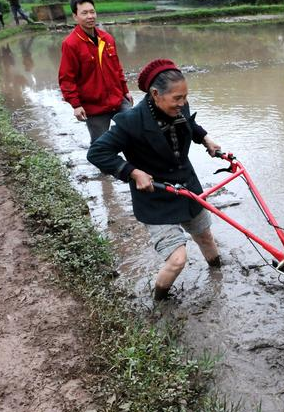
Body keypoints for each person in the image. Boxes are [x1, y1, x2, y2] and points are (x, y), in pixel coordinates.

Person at [87, 59, 222, 301]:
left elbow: (189, 123)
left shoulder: (180, 106)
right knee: (177, 259)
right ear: (156, 94)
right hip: (156, 195)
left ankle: (218, 277)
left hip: (187, 187)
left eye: (185, 97)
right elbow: (97, 152)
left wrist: (205, 138)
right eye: (177, 99)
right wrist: (132, 172)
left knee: (205, 236)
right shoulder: (130, 122)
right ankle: (159, 303)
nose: (182, 103)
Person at [58, 0, 132, 143]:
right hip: (94, 106)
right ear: (75, 16)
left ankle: (136, 165)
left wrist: (125, 90)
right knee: (101, 146)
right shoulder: (71, 44)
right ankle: (107, 165)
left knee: (137, 132)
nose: (90, 16)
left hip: (118, 100)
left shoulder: (107, 38)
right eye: (84, 13)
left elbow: (117, 68)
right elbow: (67, 78)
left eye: (92, 12)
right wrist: (76, 105)